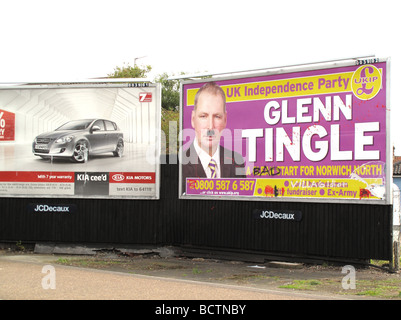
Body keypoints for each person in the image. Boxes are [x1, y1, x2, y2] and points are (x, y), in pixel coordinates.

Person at [181, 82, 246, 193]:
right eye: (203, 116)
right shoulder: (179, 165)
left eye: (217, 116)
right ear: (193, 119)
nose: (210, 126)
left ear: (225, 120)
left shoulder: (236, 162)